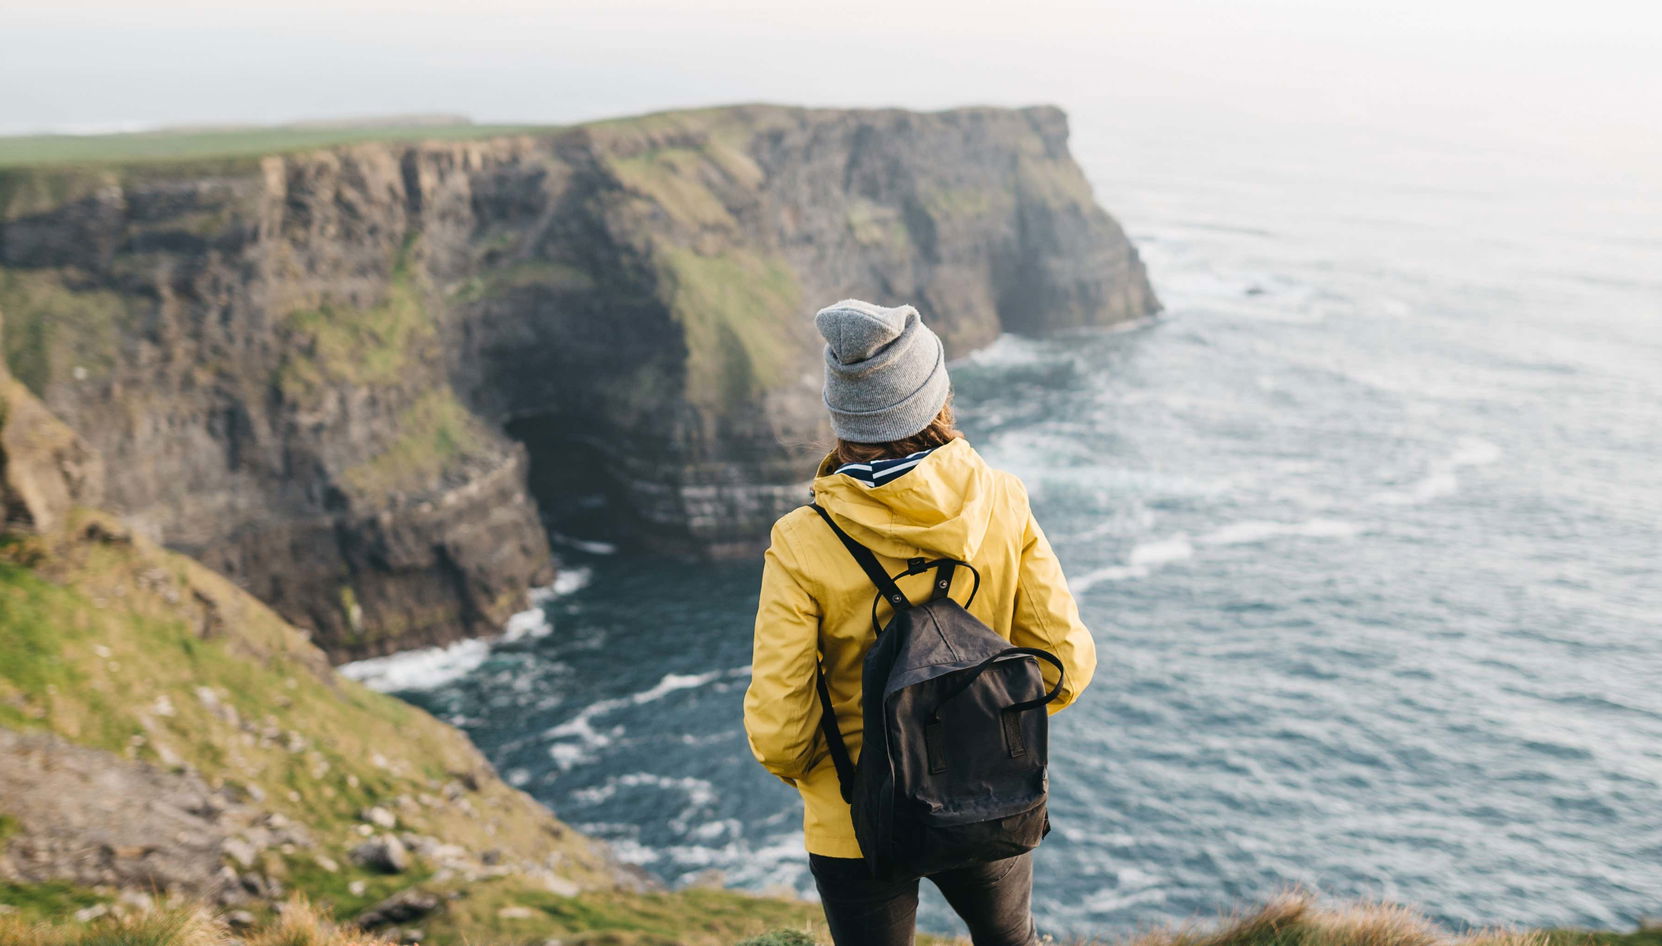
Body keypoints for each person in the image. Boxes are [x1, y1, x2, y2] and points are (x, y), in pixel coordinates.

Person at [743, 299, 1097, 946]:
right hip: (986, 786)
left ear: (842, 415)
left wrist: (832, 774)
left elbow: (781, 734)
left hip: (853, 812)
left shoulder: (800, 541)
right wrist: (978, 725)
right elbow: (1064, 669)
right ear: (937, 399)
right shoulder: (1002, 499)